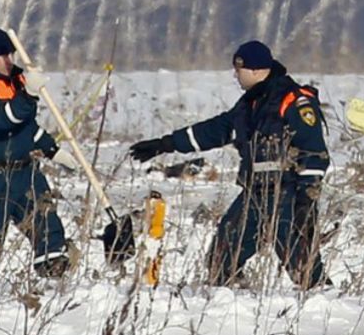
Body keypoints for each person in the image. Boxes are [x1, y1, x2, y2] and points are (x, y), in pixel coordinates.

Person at [129, 40, 331, 289]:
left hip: (287, 193)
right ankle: (226, 297)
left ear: (257, 70)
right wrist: (166, 143)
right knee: (223, 252)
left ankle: (325, 301)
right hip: (254, 193)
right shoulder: (249, 104)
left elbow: (315, 150)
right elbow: (215, 130)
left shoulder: (293, 101)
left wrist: (306, 197)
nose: (235, 75)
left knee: (300, 259)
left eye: (239, 70)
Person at [0, 28, 78, 277]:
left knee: (46, 222)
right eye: (3, 56)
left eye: (10, 54)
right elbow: (3, 120)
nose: (8, 61)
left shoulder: (16, 82)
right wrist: (28, 95)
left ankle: (53, 274)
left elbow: (26, 129)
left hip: (25, 172)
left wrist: (53, 151)